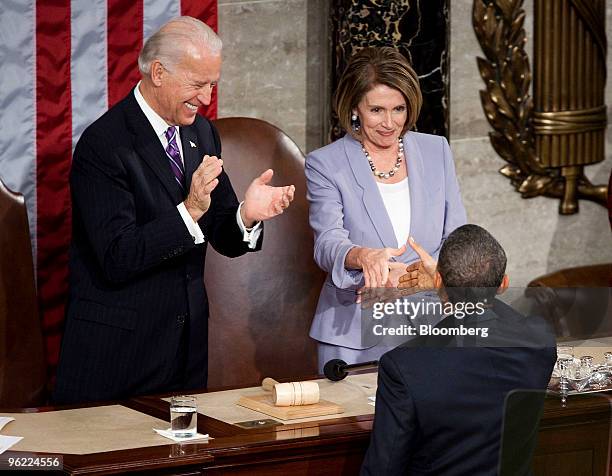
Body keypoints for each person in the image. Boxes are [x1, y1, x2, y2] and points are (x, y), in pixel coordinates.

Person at [53, 17, 294, 404]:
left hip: (184, 355)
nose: (207, 98)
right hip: (118, 358)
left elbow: (222, 230)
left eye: (212, 84)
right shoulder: (104, 145)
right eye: (198, 84)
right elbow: (117, 257)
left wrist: (248, 214)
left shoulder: (201, 132)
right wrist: (189, 209)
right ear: (159, 73)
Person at [306, 47, 466, 371]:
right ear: (355, 108)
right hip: (353, 332)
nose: (389, 123)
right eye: (377, 110)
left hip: (431, 328)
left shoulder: (437, 151)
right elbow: (327, 243)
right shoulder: (325, 164)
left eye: (399, 109)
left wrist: (436, 273)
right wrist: (364, 257)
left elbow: (457, 236)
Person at [361, 225, 557, 475]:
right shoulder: (540, 340)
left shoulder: (404, 366)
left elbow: (384, 468)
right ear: (503, 284)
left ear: (438, 279)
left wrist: (444, 285)